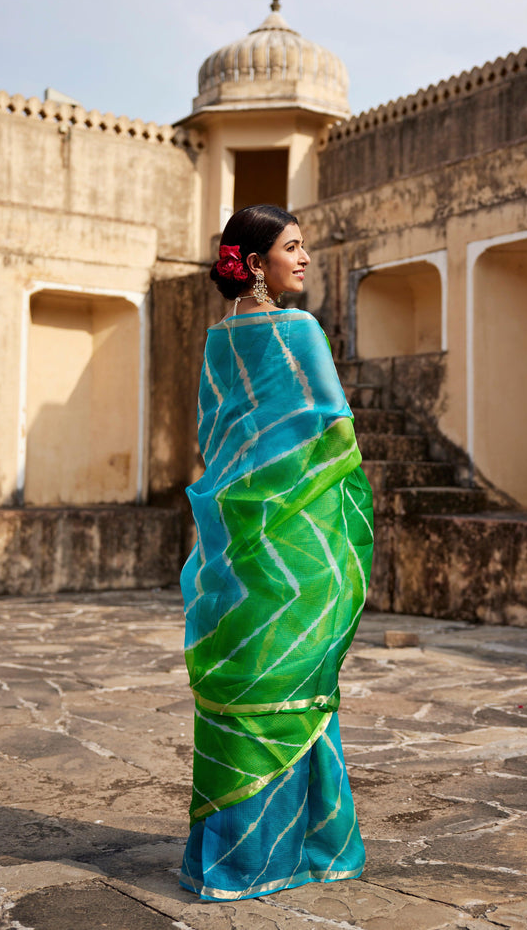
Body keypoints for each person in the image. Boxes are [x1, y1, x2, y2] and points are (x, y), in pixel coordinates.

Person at [178, 204, 374, 901]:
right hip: (299, 546)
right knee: (298, 689)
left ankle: (235, 857)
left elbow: (218, 440)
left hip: (235, 543)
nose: (307, 256)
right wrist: (344, 523)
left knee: (250, 686)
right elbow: (335, 438)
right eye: (293, 247)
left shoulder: (216, 342)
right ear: (255, 264)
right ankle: (306, 850)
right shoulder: (301, 331)